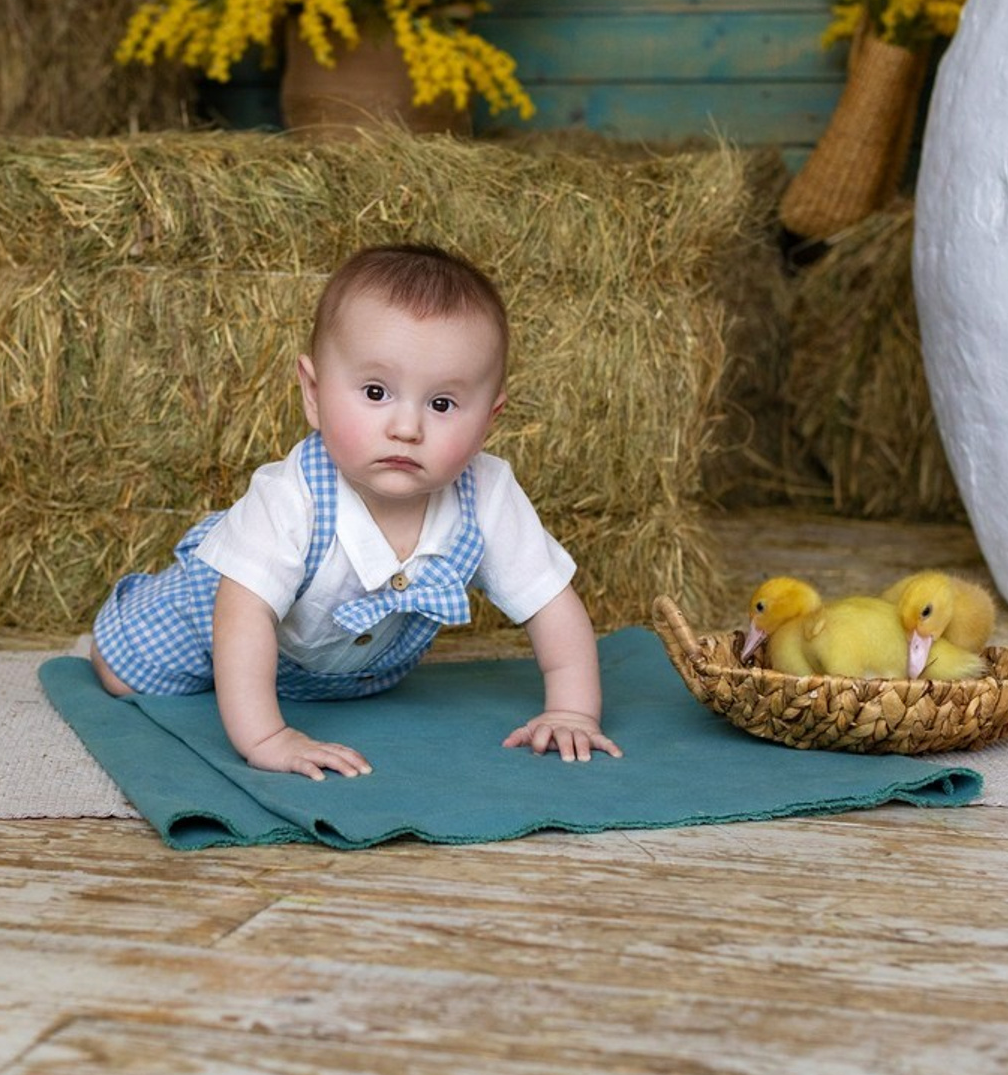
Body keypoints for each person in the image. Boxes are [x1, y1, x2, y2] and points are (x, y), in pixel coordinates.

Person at [91, 243, 622, 779]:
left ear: (489, 419)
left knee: (344, 693)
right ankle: (149, 653)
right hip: (213, 615)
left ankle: (274, 688)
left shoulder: (487, 491)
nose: (407, 427)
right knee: (126, 675)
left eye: (442, 404)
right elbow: (241, 619)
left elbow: (550, 601)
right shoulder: (289, 497)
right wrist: (268, 737)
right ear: (314, 394)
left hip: (350, 668)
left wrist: (572, 710)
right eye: (375, 392)